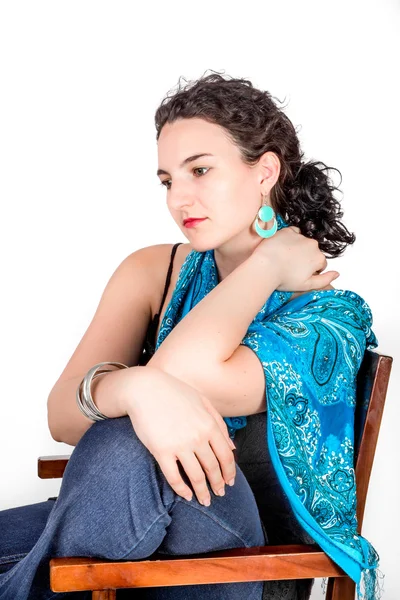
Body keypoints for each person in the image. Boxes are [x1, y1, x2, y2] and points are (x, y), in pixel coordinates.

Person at [0, 71, 380, 600]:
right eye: (166, 180)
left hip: (242, 561)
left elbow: (182, 375)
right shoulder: (151, 271)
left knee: (124, 441)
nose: (179, 198)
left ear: (265, 171)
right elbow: (62, 415)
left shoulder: (329, 319)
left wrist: (266, 263)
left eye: (199, 170)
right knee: (126, 442)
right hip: (125, 525)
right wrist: (135, 389)